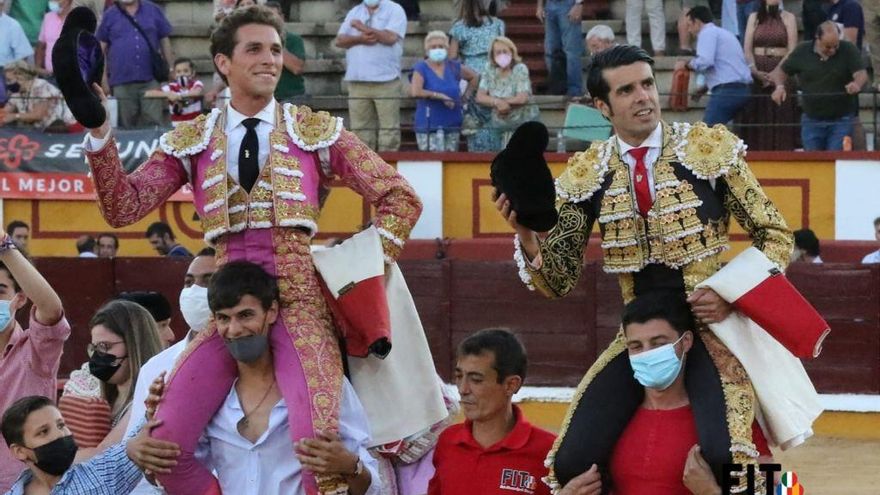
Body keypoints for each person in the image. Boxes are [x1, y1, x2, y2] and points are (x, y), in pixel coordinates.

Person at [80, 6, 421, 494]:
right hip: (229, 309)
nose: (271, 60)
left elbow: (399, 197)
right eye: (255, 49)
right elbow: (122, 206)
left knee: (318, 448)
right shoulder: (193, 140)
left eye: (277, 50)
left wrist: (360, 267)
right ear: (223, 62)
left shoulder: (314, 130)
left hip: (299, 302)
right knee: (163, 445)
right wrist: (98, 134)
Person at [495, 45, 793, 492]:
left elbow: (775, 234)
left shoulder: (708, 149)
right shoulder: (587, 173)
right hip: (639, 339)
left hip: (713, 329)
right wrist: (526, 235)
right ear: (602, 106)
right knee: (571, 460)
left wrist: (731, 293)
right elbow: (558, 281)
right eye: (627, 89)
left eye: (647, 84)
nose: (643, 97)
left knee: (726, 454)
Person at [130, 261, 380, 495]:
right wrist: (140, 455)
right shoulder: (209, 395)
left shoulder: (322, 383)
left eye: (246, 315)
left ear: (271, 311)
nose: (235, 329)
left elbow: (372, 487)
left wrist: (350, 466)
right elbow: (174, 471)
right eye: (224, 318)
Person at [604, 292, 773, 494]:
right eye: (636, 346)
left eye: (659, 344)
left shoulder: (732, 417)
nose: (647, 354)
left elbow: (784, 489)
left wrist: (710, 492)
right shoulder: (611, 419)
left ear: (686, 342)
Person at [123, 248, 216, 495]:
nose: (195, 290)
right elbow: (140, 449)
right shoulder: (157, 367)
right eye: (189, 282)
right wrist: (134, 448)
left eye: (208, 281)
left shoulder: (254, 362)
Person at [427, 329, 555, 495]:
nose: (463, 389)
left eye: (476, 380)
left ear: (511, 385)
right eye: (459, 376)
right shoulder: (447, 442)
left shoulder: (549, 453)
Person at [0, 225, 69, 493]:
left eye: (0, 290)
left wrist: (5, 247)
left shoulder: (36, 350)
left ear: (19, 299)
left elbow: (51, 310)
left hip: (25, 487)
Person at [58, 300, 163, 463]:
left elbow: (101, 455)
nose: (97, 357)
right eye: (94, 348)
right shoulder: (97, 395)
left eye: (105, 346)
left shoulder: (148, 399)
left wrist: (50, 461)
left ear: (134, 344)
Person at [0, 395, 146, 495]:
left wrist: (153, 410)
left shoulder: (101, 474)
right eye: (43, 432)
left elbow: (146, 435)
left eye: (61, 425)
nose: (60, 434)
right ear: (19, 451)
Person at [770, 21, 868, 151]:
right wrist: (779, 87)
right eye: (828, 47)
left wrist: (857, 84)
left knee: (835, 157)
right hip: (812, 119)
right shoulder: (802, 51)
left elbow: (861, 73)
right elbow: (781, 72)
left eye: (835, 46)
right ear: (817, 38)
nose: (832, 50)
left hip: (841, 118)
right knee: (813, 161)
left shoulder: (848, 49)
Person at [335, 0, 407, 151]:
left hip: (386, 80)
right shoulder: (355, 12)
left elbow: (390, 38)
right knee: (360, 130)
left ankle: (388, 168)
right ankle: (364, 168)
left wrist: (361, 27)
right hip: (357, 81)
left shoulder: (395, 9)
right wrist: (360, 38)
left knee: (389, 130)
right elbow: (340, 40)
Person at [96, 0, 174, 129]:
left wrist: (171, 68)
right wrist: (103, 80)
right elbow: (100, 50)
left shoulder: (153, 10)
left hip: (151, 80)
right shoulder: (110, 15)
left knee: (155, 126)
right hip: (121, 81)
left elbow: (165, 41)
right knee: (125, 127)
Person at [675, 6, 753, 127]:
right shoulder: (724, 33)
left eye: (690, 25)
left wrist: (686, 64)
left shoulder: (706, 33)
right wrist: (705, 88)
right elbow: (725, 66)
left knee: (706, 133)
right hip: (743, 90)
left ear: (697, 22)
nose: (689, 30)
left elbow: (706, 61)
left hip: (727, 92)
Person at [737, 0, 799, 150]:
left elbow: (792, 50)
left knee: (781, 114)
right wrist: (754, 70)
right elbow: (747, 49)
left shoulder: (789, 18)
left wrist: (777, 73)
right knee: (758, 113)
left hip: (781, 68)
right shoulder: (754, 17)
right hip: (758, 71)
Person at [448, 0, 505, 152]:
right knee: (493, 115)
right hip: (494, 74)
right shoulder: (498, 24)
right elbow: (503, 50)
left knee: (474, 120)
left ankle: (477, 152)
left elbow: (452, 58)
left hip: (469, 77)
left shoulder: (459, 27)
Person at [410, 31, 478, 152]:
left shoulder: (454, 66)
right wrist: (439, 96)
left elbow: (474, 77)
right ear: (427, 50)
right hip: (428, 124)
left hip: (451, 123)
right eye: (433, 47)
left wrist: (465, 97)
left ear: (446, 49)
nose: (437, 49)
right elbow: (416, 91)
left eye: (441, 46)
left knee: (451, 161)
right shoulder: (421, 67)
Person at [475, 36, 539, 150]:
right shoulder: (489, 69)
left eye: (505, 51)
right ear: (493, 56)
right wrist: (497, 102)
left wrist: (502, 102)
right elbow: (480, 97)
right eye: (498, 52)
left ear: (512, 52)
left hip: (522, 122)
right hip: (499, 122)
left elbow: (521, 98)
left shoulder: (520, 69)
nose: (502, 55)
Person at [1, 61, 79, 132]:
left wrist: (15, 116)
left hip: (65, 128)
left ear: (22, 77)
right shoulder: (17, 93)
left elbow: (38, 115)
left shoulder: (41, 86)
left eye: (10, 80)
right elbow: (5, 111)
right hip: (43, 131)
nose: (8, 84)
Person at [536, 0, 584, 96]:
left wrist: (579, 4)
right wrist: (540, 5)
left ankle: (574, 91)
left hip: (569, 4)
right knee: (550, 50)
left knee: (571, 51)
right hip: (549, 5)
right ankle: (556, 86)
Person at [144, 58, 205, 127]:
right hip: (177, 127)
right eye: (178, 72)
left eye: (186, 71)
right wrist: (168, 94)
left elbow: (197, 92)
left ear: (192, 73)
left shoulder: (196, 84)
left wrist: (179, 95)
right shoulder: (171, 87)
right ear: (174, 74)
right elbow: (148, 93)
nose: (182, 74)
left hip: (195, 126)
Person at [265, 1, 306, 103]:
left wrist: (276, 43)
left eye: (273, 17)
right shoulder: (255, 41)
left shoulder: (294, 39)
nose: (270, 21)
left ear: (282, 18)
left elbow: (296, 68)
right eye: (266, 17)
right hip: (264, 97)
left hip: (291, 97)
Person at [36, 0, 75, 79]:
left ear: (68, 1)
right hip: (47, 75)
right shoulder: (48, 17)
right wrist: (38, 69)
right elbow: (41, 46)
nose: (53, 2)